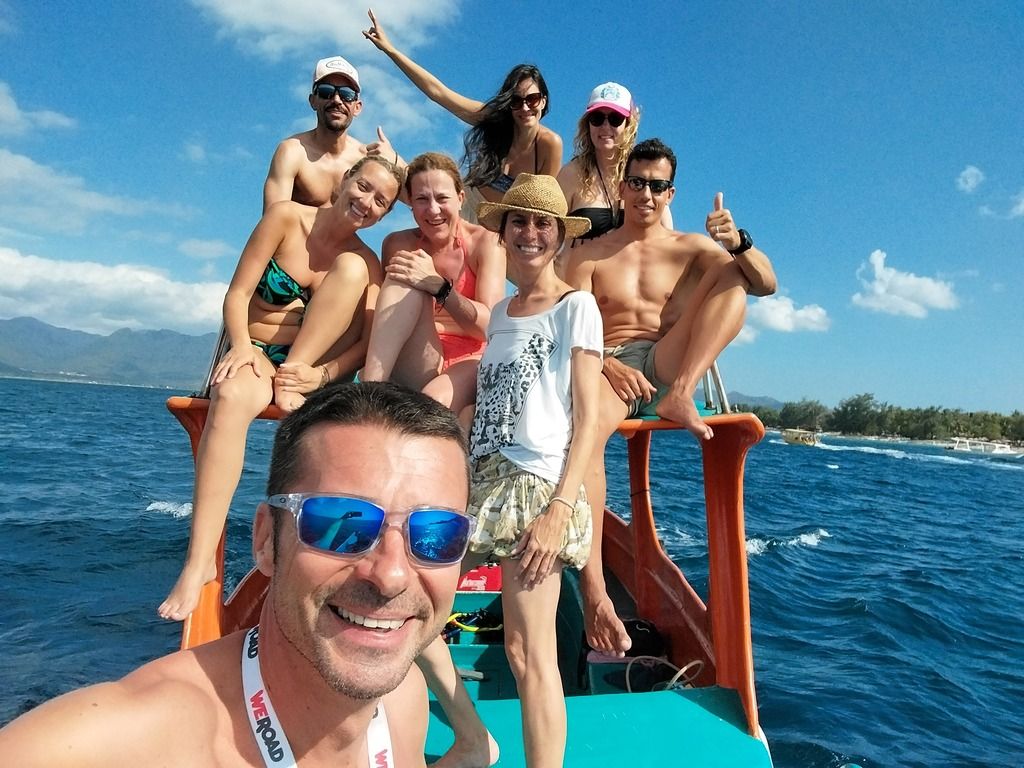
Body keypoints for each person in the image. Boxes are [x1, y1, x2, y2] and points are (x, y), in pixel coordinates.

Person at [0, 382, 476, 767]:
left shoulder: (401, 703)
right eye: (340, 524)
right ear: (267, 540)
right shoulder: (112, 745)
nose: (391, 573)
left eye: (437, 534)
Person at [158, 156, 403, 622]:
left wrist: (321, 374)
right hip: (252, 352)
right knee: (230, 398)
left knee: (351, 267)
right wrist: (244, 347)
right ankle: (197, 567)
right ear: (344, 179)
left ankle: (316, 566)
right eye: (363, 186)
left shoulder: (366, 263)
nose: (366, 202)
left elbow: (365, 344)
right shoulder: (285, 218)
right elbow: (236, 294)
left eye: (381, 201)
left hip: (305, 374)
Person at [564, 138, 778, 656]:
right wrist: (605, 362)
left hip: (664, 361)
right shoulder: (590, 252)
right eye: (636, 183)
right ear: (622, 186)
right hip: (606, 362)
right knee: (588, 437)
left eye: (657, 186)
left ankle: (682, 394)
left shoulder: (692, 248)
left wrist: (739, 242)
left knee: (734, 276)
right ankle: (595, 592)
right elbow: (561, 321)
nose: (646, 194)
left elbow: (766, 284)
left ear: (670, 192)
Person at [417, 174, 603, 768]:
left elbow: (588, 418)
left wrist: (560, 511)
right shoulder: (500, 313)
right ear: (504, 230)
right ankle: (473, 739)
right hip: (485, 486)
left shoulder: (578, 307)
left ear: (558, 235)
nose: (528, 233)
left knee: (529, 654)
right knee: (415, 608)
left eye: (541, 223)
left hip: (538, 488)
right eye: (517, 221)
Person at [363, 9, 562, 225]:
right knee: (422, 193)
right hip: (462, 209)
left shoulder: (549, 144)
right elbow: (438, 92)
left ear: (543, 100)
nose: (524, 107)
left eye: (531, 99)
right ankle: (393, 159)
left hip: (499, 228)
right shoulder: (494, 120)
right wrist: (391, 50)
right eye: (516, 101)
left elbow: (544, 207)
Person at [361, 152, 505, 413]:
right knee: (404, 274)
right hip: (418, 356)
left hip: (469, 359)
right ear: (411, 205)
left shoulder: (486, 243)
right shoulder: (397, 243)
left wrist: (438, 286)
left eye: (442, 198)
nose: (433, 210)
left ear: (461, 199)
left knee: (430, 404)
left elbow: (489, 327)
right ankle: (368, 393)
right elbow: (386, 321)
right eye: (422, 200)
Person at [263, 55, 401, 212]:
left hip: (343, 237)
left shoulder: (365, 161)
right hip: (296, 237)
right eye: (326, 91)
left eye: (347, 94)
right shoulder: (292, 152)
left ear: (357, 107)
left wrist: (394, 160)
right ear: (313, 100)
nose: (337, 100)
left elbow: (417, 196)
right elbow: (272, 219)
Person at [556, 81, 672, 251]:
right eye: (597, 118)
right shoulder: (571, 174)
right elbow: (546, 232)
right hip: (576, 276)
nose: (605, 127)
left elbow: (667, 236)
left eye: (615, 119)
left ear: (628, 125)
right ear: (587, 124)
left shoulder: (644, 173)